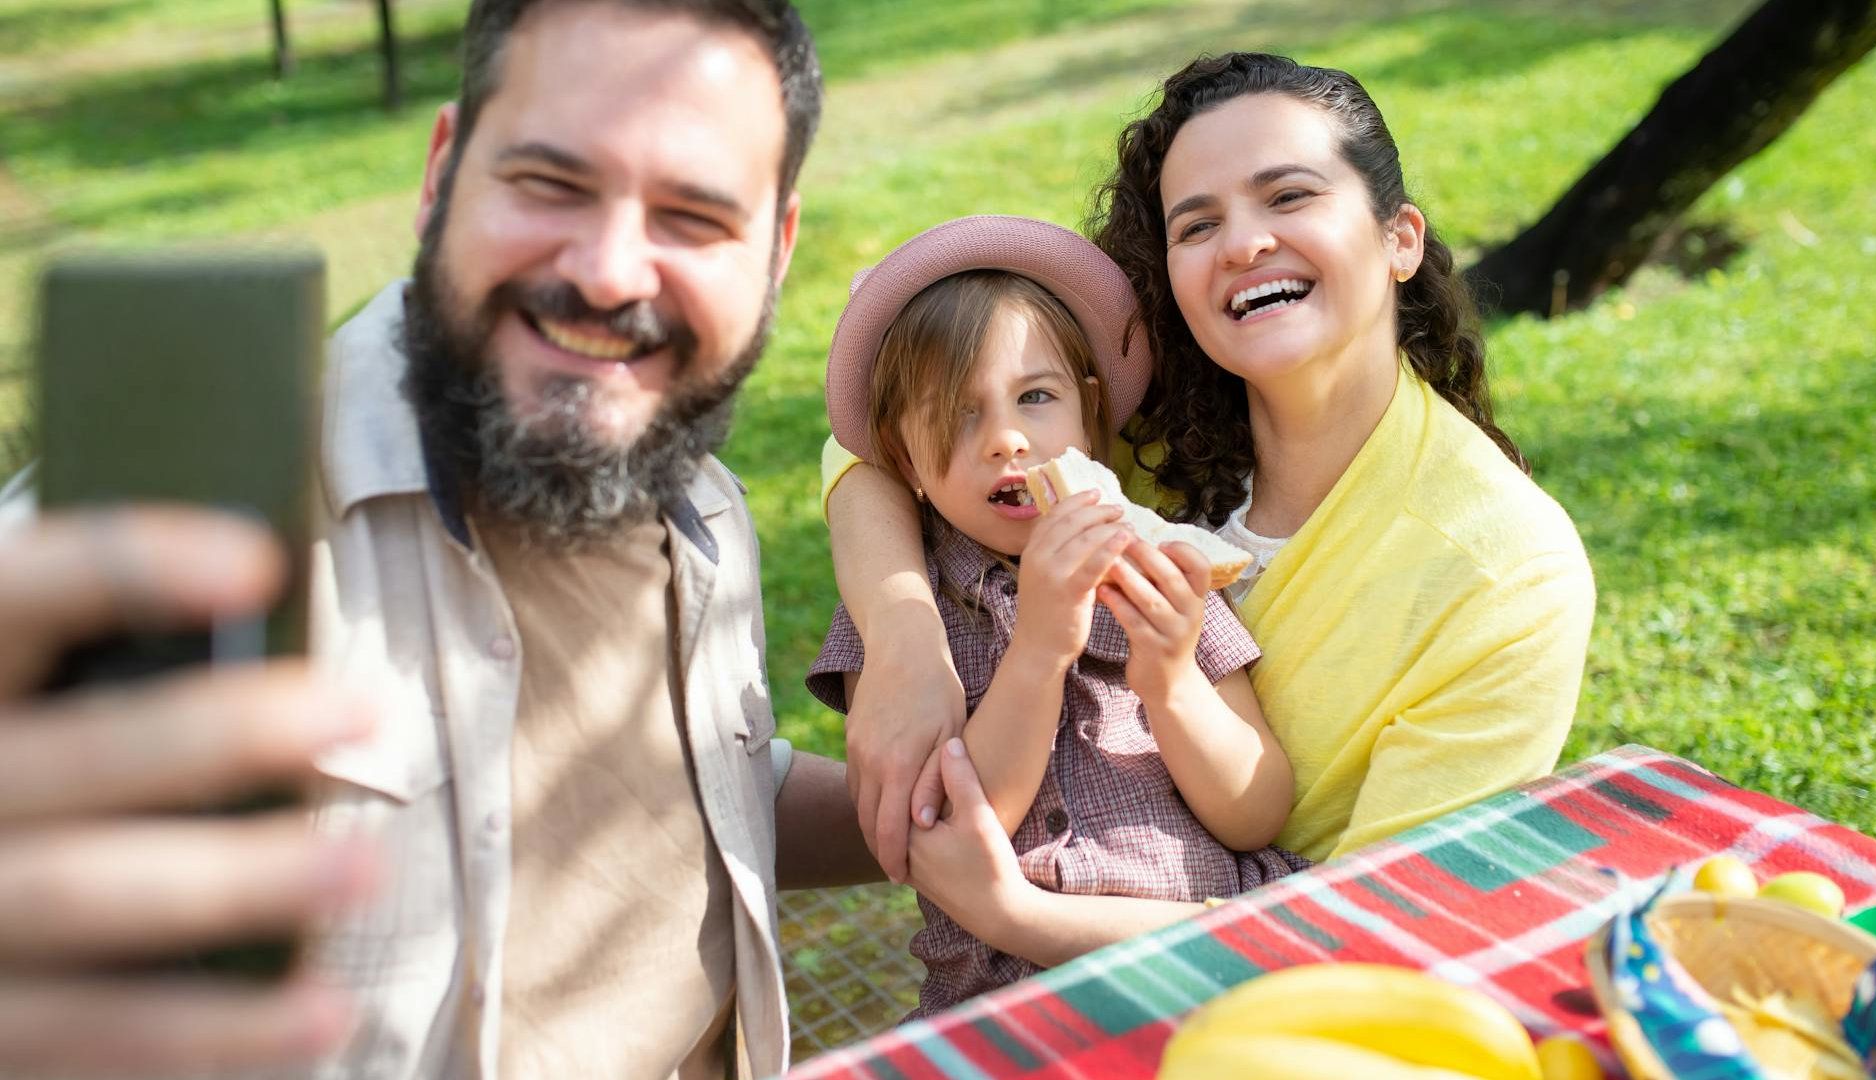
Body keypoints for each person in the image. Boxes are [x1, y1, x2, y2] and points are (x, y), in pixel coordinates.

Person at [0, 1, 878, 1077]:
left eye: (693, 215)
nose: (609, 273)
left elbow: (690, 797)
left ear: (776, 250)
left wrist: (924, 813)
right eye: (551, 183)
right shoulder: (160, 535)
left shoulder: (701, 507)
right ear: (443, 172)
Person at [825, 53, 1596, 881]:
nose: (1244, 244)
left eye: (1289, 196)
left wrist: (1020, 917)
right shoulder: (1111, 416)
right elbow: (868, 447)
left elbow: (1383, 919)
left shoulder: (1508, 572)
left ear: (1399, 238)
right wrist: (903, 635)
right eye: (1196, 225)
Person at [805, 216, 1307, 1014]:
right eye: (958, 413)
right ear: (906, 464)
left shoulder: (1165, 567)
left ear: (1090, 419)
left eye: (1035, 398)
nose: (1007, 439)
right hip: (1008, 996)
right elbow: (955, 828)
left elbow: (1255, 813)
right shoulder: (898, 619)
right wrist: (1038, 648)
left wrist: (1172, 682)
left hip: (1209, 959)